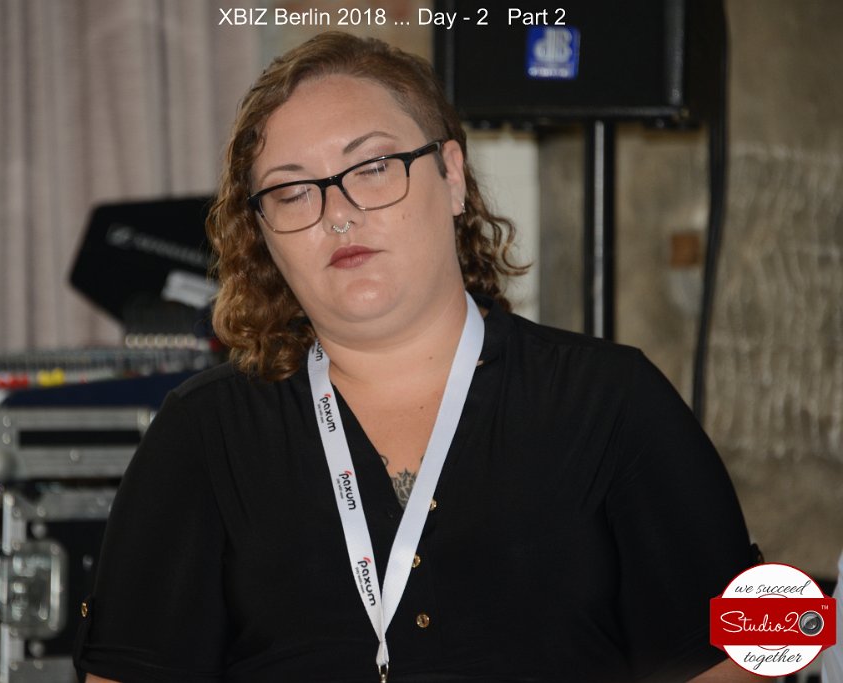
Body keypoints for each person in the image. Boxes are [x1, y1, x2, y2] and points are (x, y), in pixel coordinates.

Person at [74, 32, 761, 682]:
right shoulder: (203, 434)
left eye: (373, 168)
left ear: (452, 175)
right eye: (291, 190)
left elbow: (744, 654)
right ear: (263, 235)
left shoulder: (612, 400)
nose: (337, 213)